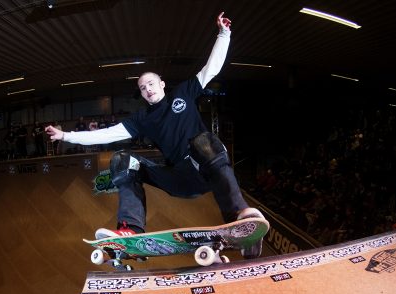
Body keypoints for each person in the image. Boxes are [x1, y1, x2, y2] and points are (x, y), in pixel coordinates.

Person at [45, 12, 265, 258]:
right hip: (179, 179)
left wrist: (224, 34)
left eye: (150, 84)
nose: (147, 89)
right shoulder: (142, 119)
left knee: (204, 142)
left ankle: (239, 216)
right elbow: (106, 135)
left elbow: (210, 69)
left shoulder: (182, 93)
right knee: (123, 160)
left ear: (161, 84)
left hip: (207, 166)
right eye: (142, 87)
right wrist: (65, 136)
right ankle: (130, 230)